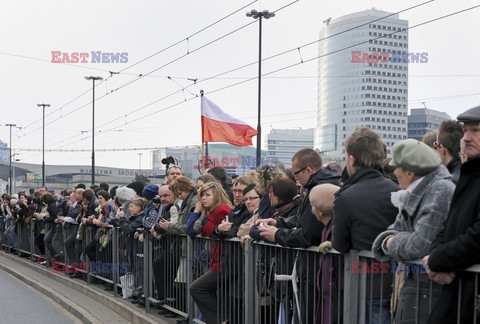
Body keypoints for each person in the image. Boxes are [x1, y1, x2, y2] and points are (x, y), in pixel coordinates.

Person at [372, 139, 455, 323]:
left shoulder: (440, 191)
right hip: (419, 288)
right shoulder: (420, 191)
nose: (394, 172)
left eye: (397, 168)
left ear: (410, 172)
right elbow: (392, 231)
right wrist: (392, 238)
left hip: (430, 291)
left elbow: (418, 246)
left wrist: (391, 242)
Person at [332, 128, 399, 324]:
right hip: (399, 281)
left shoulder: (346, 196)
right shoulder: (397, 190)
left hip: (363, 284)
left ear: (351, 159)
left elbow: (339, 244)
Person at [424, 105, 480, 324]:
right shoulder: (470, 176)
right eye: (465, 131)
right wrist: (434, 257)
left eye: (475, 130)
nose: (466, 138)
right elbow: (448, 227)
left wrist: (437, 259)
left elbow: (477, 236)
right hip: (459, 298)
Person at [189, 182, 232, 324]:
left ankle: (222, 318)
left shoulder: (221, 210)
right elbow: (198, 230)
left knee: (196, 288)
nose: (203, 198)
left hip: (225, 261)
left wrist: (213, 227)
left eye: (207, 195)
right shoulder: (211, 211)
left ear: (217, 195)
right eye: (202, 195)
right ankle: (221, 318)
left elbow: (225, 232)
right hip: (218, 260)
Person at [310, 183, 341, 324]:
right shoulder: (328, 227)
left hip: (334, 288)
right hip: (329, 288)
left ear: (320, 212)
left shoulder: (334, 227)